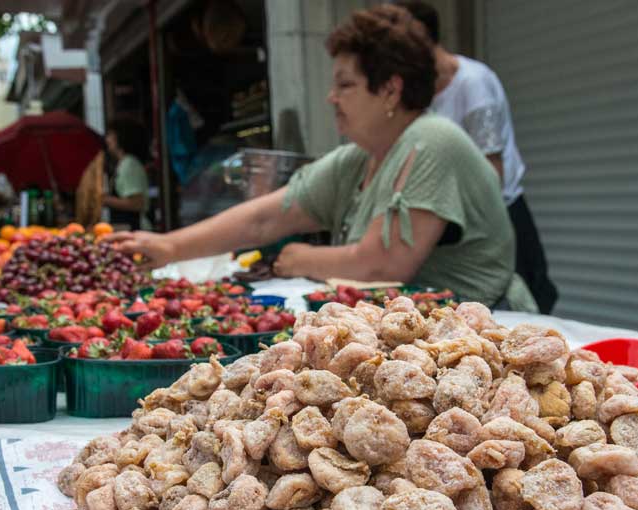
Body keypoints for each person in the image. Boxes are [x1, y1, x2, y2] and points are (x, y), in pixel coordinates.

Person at [112, 5, 536, 311]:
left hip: (486, 334)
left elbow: (380, 267)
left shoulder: (433, 141)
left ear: (390, 89)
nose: (331, 98)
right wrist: (168, 247)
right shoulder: (359, 159)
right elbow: (267, 217)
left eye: (346, 85)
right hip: (415, 339)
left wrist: (300, 258)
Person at [397, 0, 558, 314]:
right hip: (454, 223)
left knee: (523, 311)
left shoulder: (472, 82)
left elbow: (491, 172)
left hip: (497, 216)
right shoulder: (422, 95)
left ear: (424, 39)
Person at [103, 122, 149, 231]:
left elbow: (137, 203)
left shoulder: (129, 164)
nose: (107, 140)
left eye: (110, 135)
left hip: (135, 228)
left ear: (120, 137)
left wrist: (103, 200)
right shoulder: (124, 163)